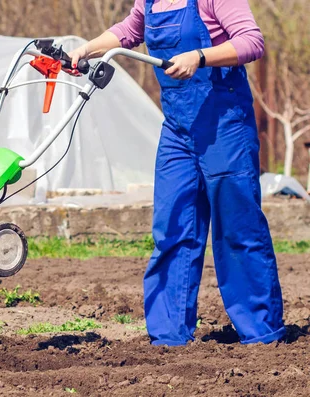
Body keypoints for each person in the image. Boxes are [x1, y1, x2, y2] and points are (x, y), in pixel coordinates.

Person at [68, 0, 286, 346]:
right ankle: (169, 336)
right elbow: (130, 30)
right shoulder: (150, 1)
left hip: (224, 123)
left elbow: (251, 41)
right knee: (172, 227)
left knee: (237, 229)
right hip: (178, 129)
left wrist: (199, 56)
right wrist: (87, 49)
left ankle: (261, 333)